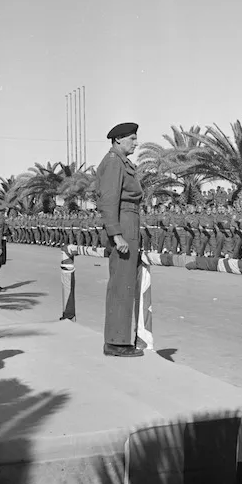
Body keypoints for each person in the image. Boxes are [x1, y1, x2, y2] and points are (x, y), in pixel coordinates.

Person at [96, 122, 144, 358]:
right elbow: (109, 199)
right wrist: (116, 234)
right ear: (118, 140)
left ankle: (121, 337)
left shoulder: (121, 162)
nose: (136, 143)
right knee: (121, 284)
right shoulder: (114, 162)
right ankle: (116, 341)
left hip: (129, 221)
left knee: (126, 282)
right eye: (132, 139)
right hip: (123, 223)